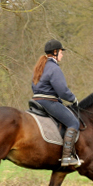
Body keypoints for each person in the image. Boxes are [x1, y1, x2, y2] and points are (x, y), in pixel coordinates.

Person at [31, 39, 80, 167]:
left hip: (36, 100)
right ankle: (67, 157)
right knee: (74, 122)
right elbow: (62, 91)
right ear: (55, 52)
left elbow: (34, 85)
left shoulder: (40, 66)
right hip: (48, 101)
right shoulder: (54, 68)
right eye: (61, 52)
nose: (62, 54)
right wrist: (73, 99)